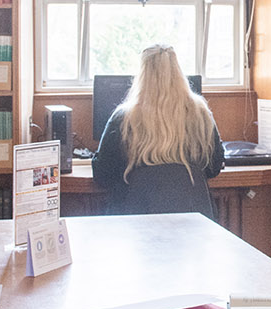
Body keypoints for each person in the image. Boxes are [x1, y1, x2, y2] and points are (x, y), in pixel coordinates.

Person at [92, 44, 226, 219]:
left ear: (142, 75)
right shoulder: (200, 114)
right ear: (178, 73)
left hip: (135, 223)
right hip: (194, 221)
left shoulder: (124, 118)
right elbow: (214, 166)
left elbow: (103, 174)